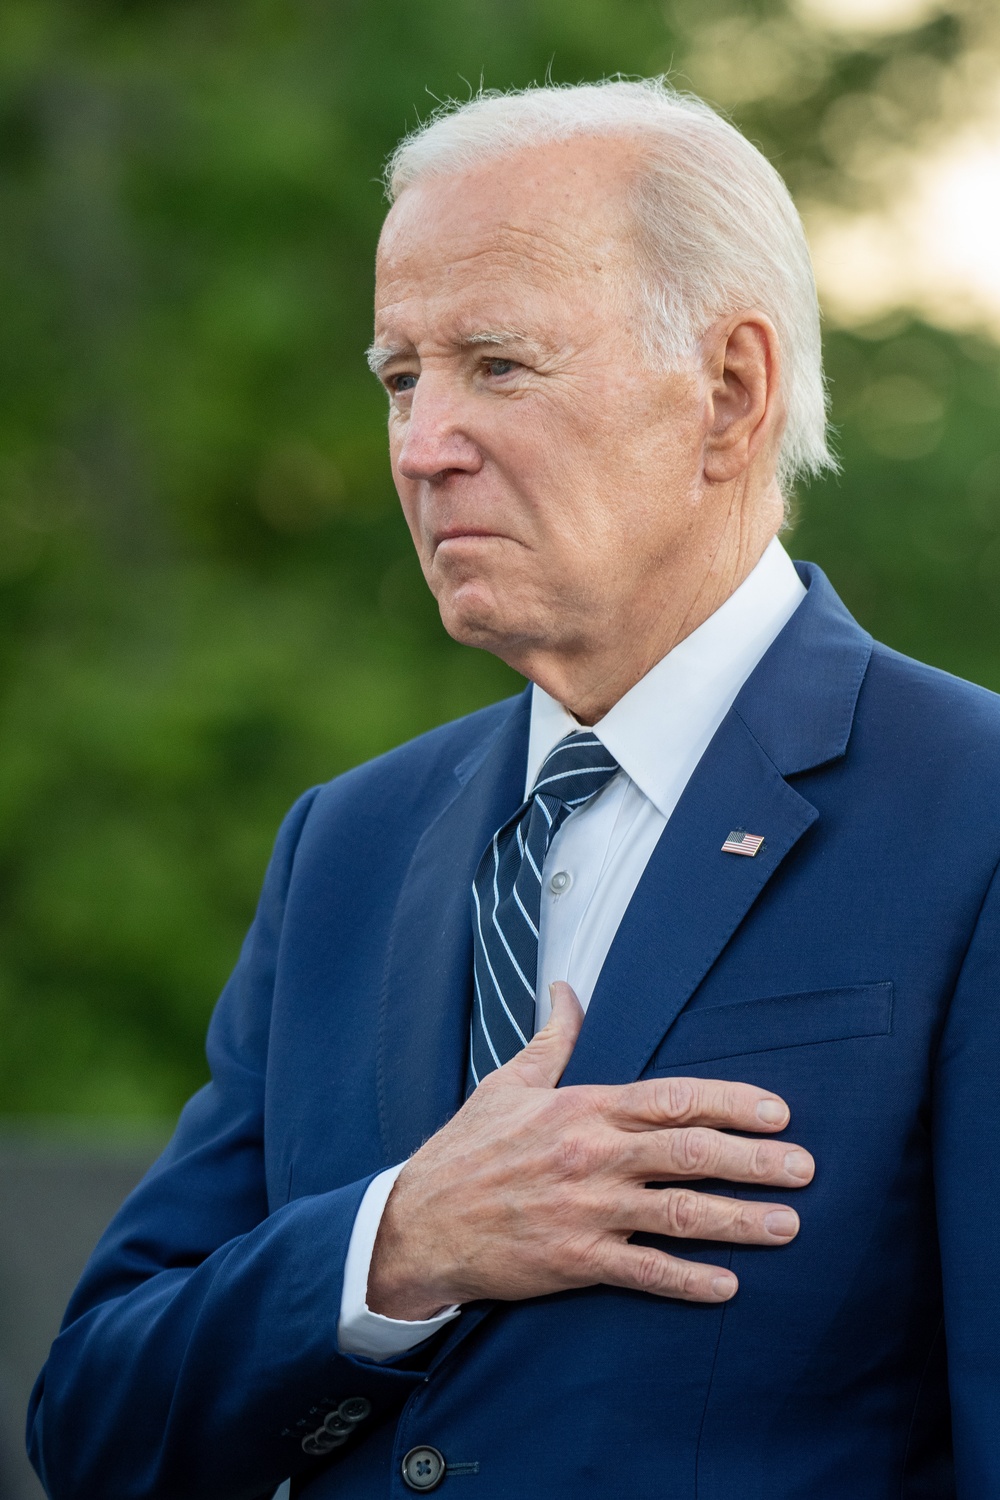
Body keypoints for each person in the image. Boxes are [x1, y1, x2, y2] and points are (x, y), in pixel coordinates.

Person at [27, 79, 1000, 1500]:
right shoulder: (346, 844)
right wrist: (396, 1243)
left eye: (498, 365)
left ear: (730, 392)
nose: (422, 446)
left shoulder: (970, 816)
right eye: (401, 378)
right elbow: (96, 1423)